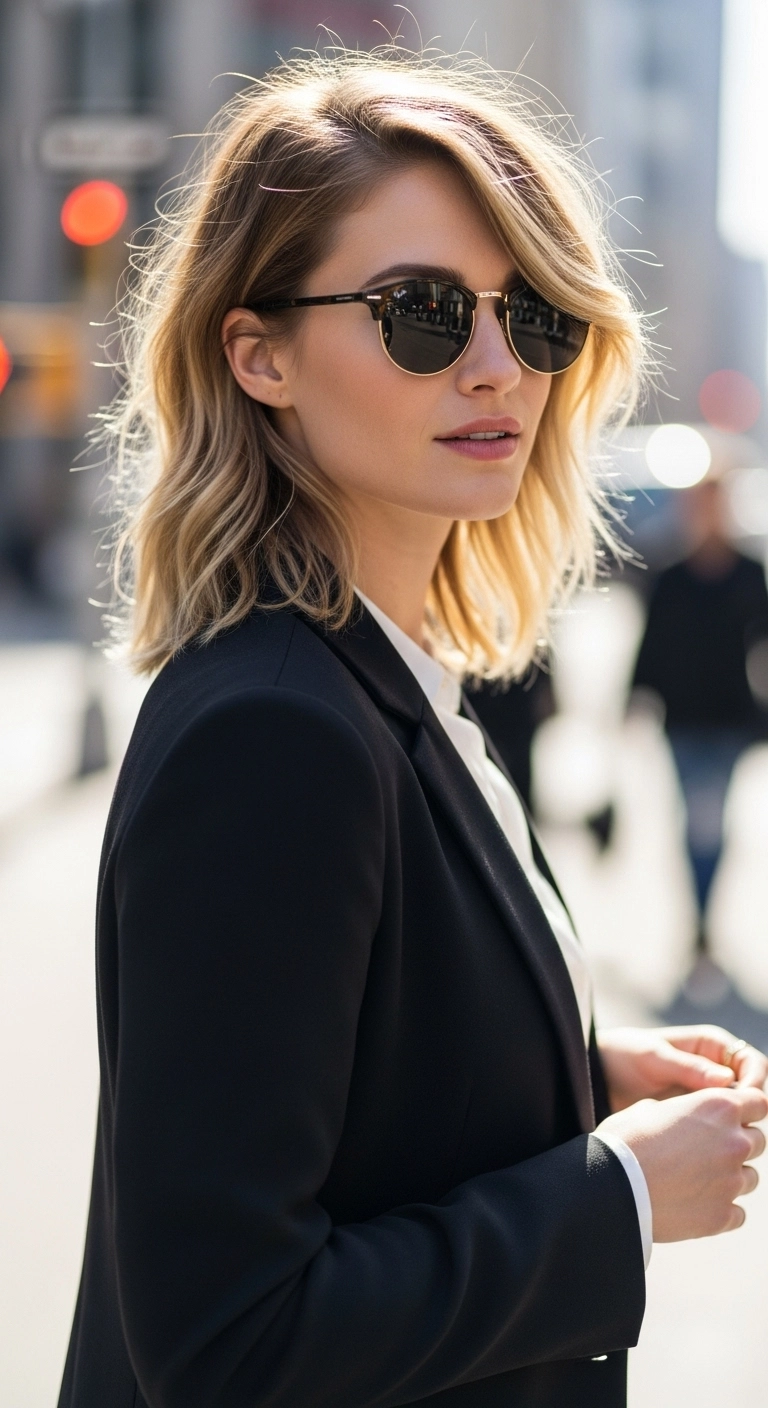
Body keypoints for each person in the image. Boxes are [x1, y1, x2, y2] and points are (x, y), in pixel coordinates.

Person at [58, 52, 768, 1408]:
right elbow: (226, 1338)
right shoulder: (274, 732)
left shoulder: (401, 676)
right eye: (424, 313)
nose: (501, 368)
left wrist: (567, 1076)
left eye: (534, 316)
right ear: (259, 354)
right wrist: (618, 1193)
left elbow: (348, 1089)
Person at [633, 475, 768, 948]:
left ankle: (704, 917)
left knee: (711, 823)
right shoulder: (671, 576)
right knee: (695, 822)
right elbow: (651, 645)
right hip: (683, 717)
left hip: (730, 716)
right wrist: (635, 700)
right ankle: (700, 916)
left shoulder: (749, 573)